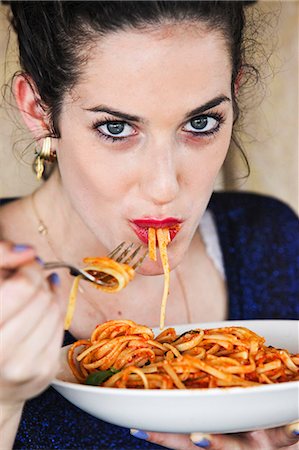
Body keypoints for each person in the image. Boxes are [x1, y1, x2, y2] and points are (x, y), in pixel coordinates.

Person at [0, 1, 298, 449]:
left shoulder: (268, 236)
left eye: (201, 123)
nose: (164, 187)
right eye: (117, 128)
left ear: (233, 96)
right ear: (39, 110)